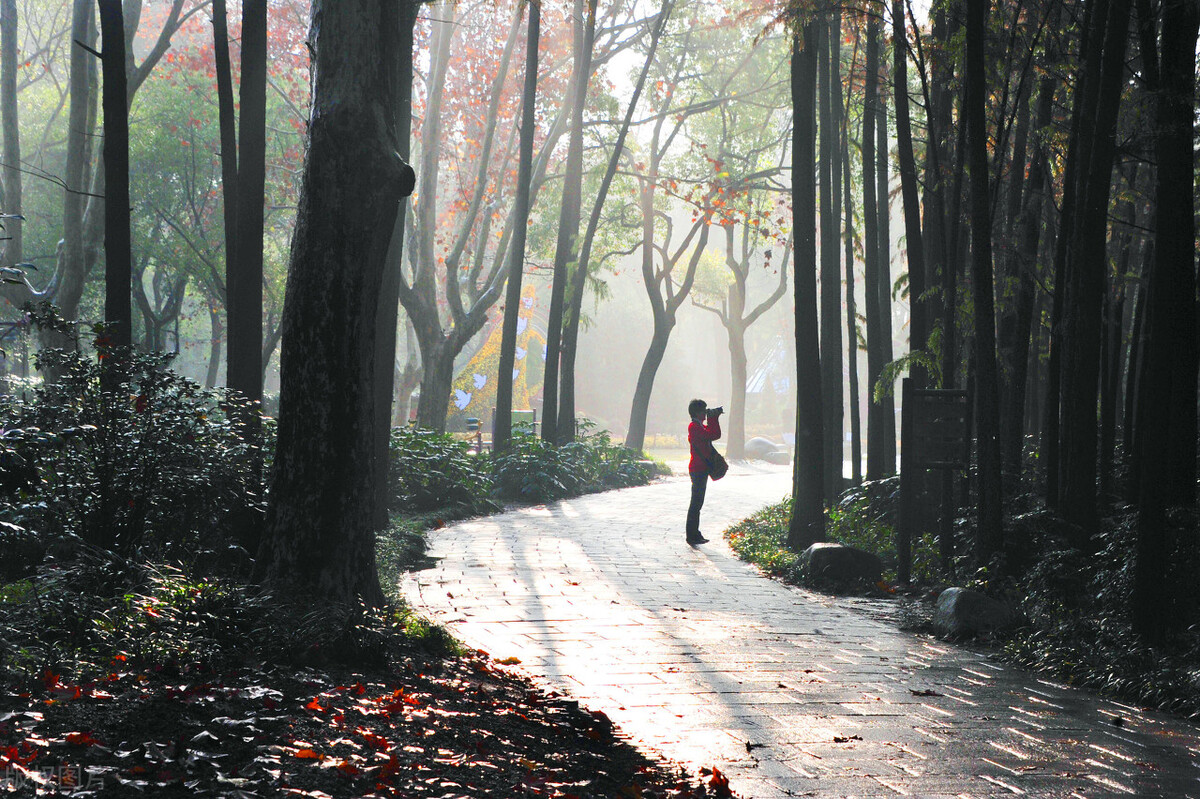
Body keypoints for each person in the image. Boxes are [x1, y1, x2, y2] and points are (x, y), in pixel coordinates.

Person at [686, 398, 722, 545]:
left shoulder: (698, 426)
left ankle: (695, 533)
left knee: (697, 503)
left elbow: (713, 434)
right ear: (697, 412)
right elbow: (713, 435)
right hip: (697, 469)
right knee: (696, 503)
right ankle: (692, 535)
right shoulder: (694, 426)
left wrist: (713, 418)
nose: (706, 414)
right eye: (704, 411)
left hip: (701, 469)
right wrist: (714, 418)